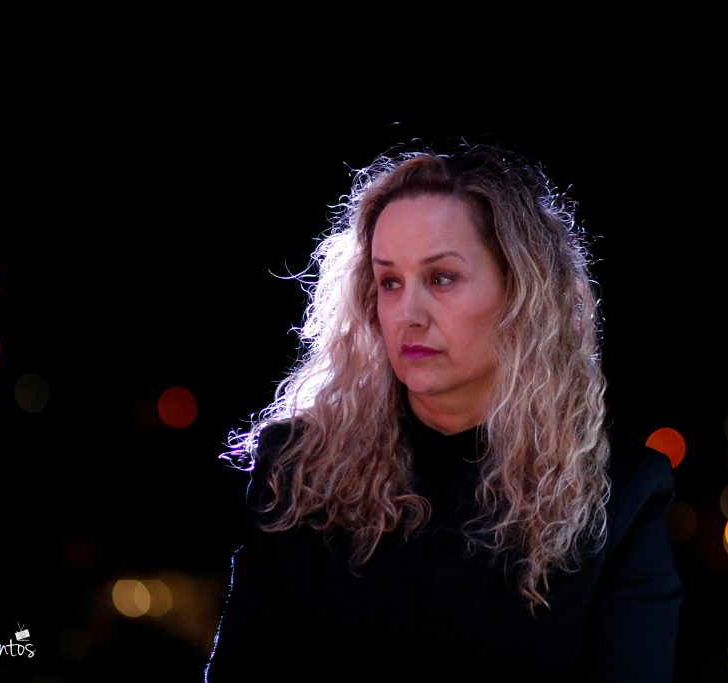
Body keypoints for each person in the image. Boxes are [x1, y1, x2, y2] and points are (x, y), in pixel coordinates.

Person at [205, 142, 682, 682]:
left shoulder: (618, 499)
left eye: (441, 278)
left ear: (520, 293)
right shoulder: (299, 472)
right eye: (390, 282)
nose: (408, 314)